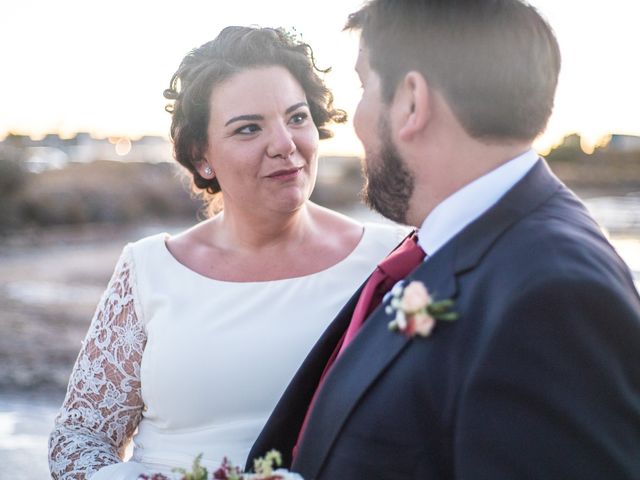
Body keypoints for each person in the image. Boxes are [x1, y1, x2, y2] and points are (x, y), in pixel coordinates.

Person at [247, 1, 640, 479]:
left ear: (412, 101)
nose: (356, 118)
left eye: (364, 85)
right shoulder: (447, 245)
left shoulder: (554, 295)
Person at [48, 26, 408, 480]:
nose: (284, 144)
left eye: (297, 118)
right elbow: (79, 437)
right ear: (203, 156)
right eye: (249, 128)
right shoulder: (149, 268)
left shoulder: (390, 261)